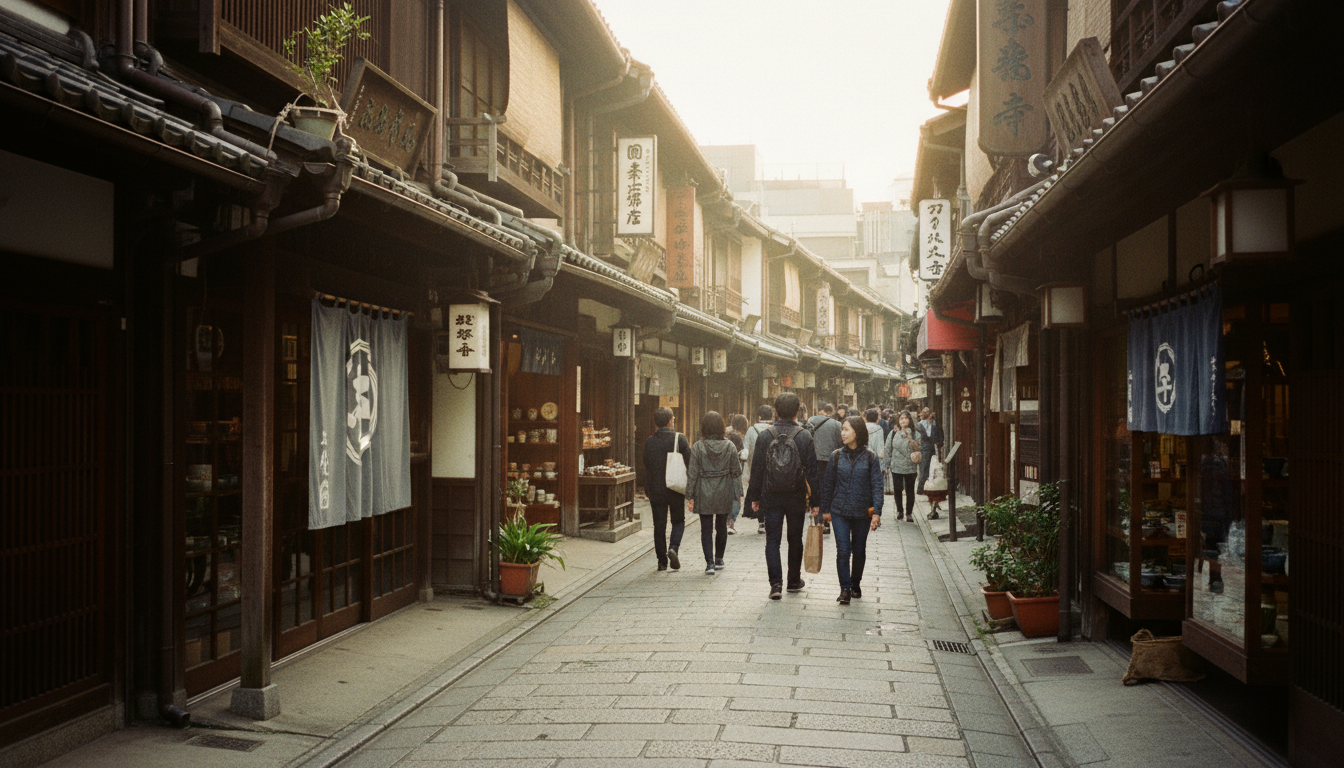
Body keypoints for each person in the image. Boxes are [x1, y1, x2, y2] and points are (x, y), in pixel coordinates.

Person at [746, 392, 820, 600]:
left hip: (771, 494)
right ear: (798, 411)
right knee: (795, 538)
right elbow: (813, 472)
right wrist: (816, 502)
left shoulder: (765, 435)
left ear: (775, 411)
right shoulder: (804, 436)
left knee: (772, 540)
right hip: (796, 495)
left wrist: (754, 497)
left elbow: (757, 469)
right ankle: (794, 581)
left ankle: (775, 585)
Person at [819, 415, 884, 604]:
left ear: (857, 432)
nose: (843, 433)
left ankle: (856, 584)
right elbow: (828, 484)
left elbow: (877, 486)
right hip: (839, 510)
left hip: (862, 512)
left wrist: (877, 512)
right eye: (842, 429)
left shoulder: (871, 458)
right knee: (843, 550)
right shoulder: (836, 456)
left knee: (859, 550)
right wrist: (825, 510)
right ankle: (845, 589)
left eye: (846, 429)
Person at [686, 411, 743, 574]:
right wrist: (738, 492)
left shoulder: (697, 447)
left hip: (703, 491)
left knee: (706, 528)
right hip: (724, 489)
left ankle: (709, 563)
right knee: (721, 526)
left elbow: (692, 473)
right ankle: (719, 558)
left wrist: (689, 495)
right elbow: (736, 472)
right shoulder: (729, 446)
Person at [642, 407, 690, 571]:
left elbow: (646, 466)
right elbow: (690, 463)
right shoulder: (679, 439)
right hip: (675, 487)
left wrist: (647, 487)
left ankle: (661, 562)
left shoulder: (650, 441)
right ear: (670, 420)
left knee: (659, 525)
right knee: (678, 521)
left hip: (656, 488)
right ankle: (674, 547)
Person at [884, 410, 920, 521]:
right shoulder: (893, 433)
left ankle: (909, 513)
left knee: (910, 490)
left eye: (905, 418)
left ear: (909, 420)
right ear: (898, 421)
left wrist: (909, 436)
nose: (903, 420)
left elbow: (918, 448)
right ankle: (900, 511)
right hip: (896, 466)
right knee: (897, 490)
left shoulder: (915, 433)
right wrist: (887, 464)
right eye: (901, 419)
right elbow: (888, 449)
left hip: (910, 466)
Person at [811, 406, 843, 535]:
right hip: (831, 461)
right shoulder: (836, 424)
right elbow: (841, 444)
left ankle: (817, 521)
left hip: (813, 461)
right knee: (828, 490)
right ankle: (826, 522)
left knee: (815, 490)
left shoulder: (810, 421)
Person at [743, 405, 774, 534]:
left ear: (759, 416)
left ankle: (761, 522)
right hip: (772, 468)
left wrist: (747, 470)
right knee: (770, 493)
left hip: (755, 467)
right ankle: (769, 519)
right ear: (771, 416)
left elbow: (746, 449)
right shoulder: (774, 429)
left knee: (758, 493)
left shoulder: (751, 429)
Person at [725, 413, 749, 534]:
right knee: (736, 497)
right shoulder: (738, 437)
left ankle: (723, 522)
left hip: (722, 470)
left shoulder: (725, 432)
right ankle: (731, 523)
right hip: (735, 471)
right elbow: (742, 454)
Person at [916, 409, 944, 494]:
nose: (926, 414)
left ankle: (929, 488)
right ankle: (921, 489)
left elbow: (936, 435)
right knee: (924, 468)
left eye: (927, 412)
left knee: (931, 469)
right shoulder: (919, 425)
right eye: (924, 412)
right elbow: (926, 435)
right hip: (924, 448)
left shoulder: (933, 424)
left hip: (932, 448)